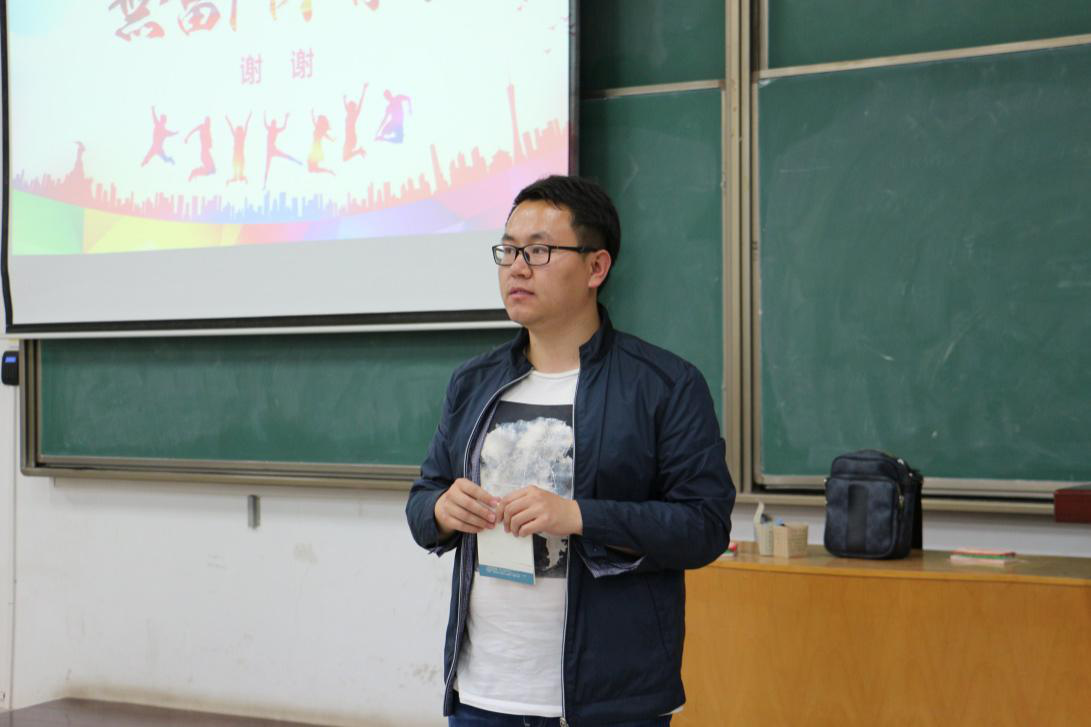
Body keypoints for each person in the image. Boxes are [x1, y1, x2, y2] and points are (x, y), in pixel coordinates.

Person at [405, 175, 735, 726]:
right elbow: (422, 503)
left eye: (538, 251)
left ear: (596, 267)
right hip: (483, 693)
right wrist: (442, 510)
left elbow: (703, 527)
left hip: (611, 701)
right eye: (508, 250)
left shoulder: (664, 385)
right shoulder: (474, 382)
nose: (516, 267)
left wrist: (580, 516)